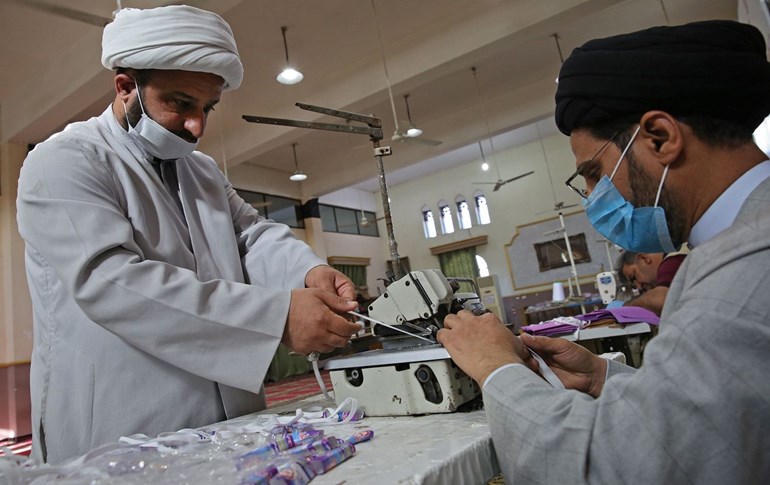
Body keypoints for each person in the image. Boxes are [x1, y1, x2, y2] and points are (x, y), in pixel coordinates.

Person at [16, 6, 361, 464]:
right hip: (123, 425)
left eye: (206, 107)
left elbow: (251, 236)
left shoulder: (200, 171)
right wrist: (276, 318)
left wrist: (309, 271)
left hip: (229, 419)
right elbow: (111, 282)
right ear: (125, 87)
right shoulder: (65, 161)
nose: (197, 125)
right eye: (181, 103)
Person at [437, 20, 770, 483]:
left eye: (594, 173)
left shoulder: (746, 260)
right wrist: (601, 377)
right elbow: (725, 418)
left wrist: (496, 367)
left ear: (659, 137)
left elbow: (618, 469)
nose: (594, 197)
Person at [616, 247, 687, 314]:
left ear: (643, 258)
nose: (639, 286)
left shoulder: (672, 262)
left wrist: (628, 306)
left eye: (634, 277)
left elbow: (660, 301)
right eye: (634, 286)